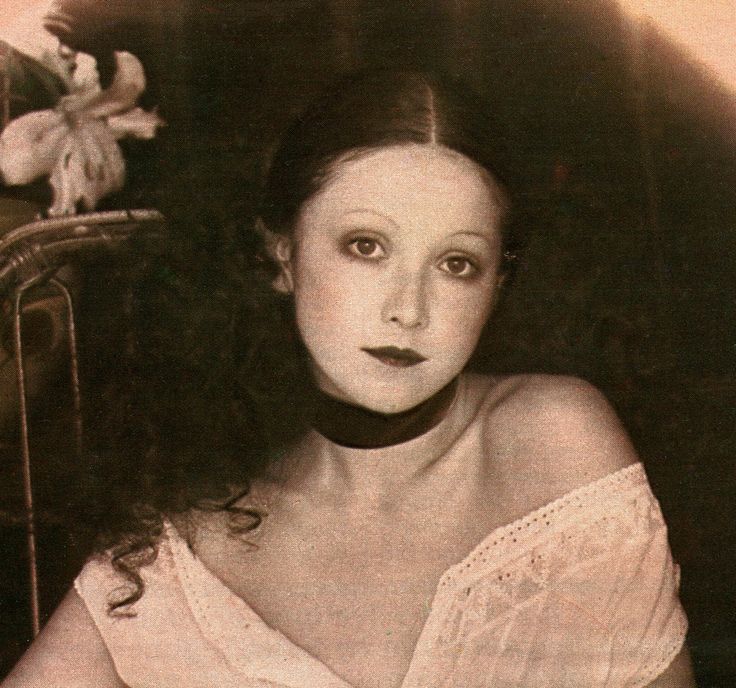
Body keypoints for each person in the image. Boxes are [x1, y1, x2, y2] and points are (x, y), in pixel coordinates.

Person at [2, 70, 694, 688]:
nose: (408, 309)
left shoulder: (554, 440)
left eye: (457, 264)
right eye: (366, 246)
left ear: (498, 283)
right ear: (282, 257)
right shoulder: (181, 523)